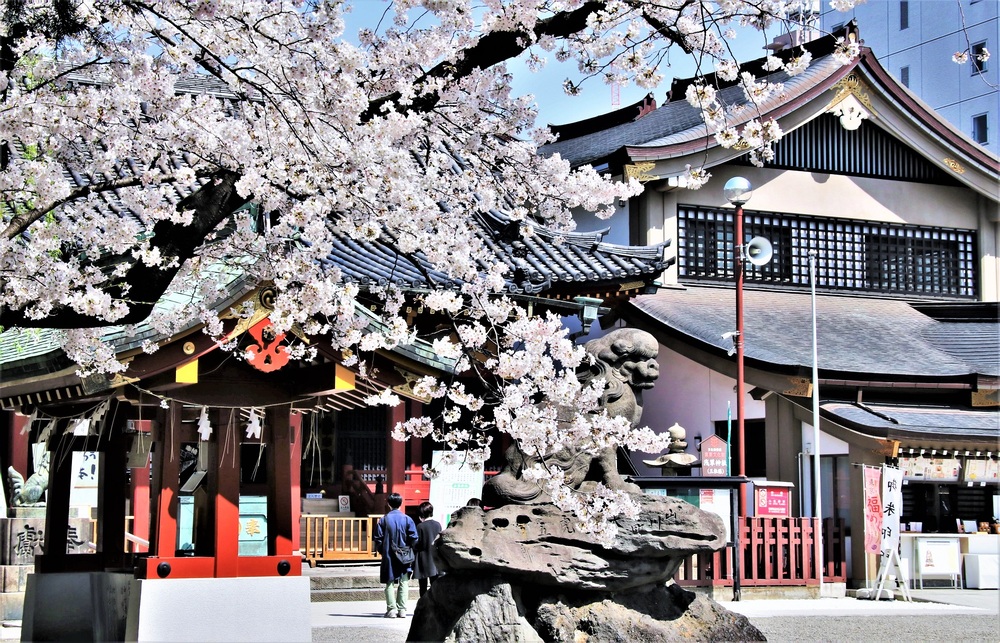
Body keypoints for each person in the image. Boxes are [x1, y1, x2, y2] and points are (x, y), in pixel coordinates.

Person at [373, 492, 418, 618]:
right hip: (404, 555)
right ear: (401, 503)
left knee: (390, 582)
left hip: (388, 555)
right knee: (404, 582)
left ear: (388, 504)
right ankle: (402, 609)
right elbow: (414, 538)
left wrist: (383, 550)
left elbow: (378, 538)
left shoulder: (383, 520)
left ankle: (391, 609)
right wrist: (409, 550)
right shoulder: (407, 519)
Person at [412, 501, 443, 597]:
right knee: (435, 585)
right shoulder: (437, 524)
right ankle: (436, 606)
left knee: (423, 586)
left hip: (423, 559)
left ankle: (424, 607)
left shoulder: (420, 526)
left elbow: (417, 543)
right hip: (435, 558)